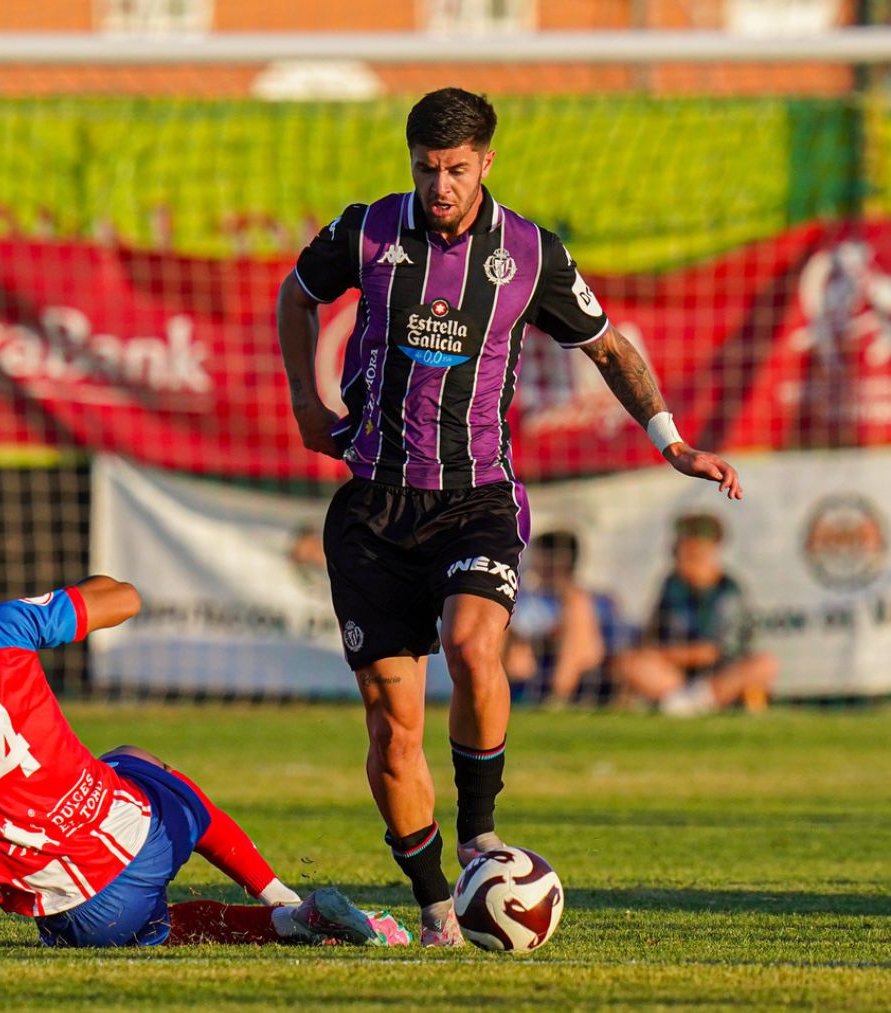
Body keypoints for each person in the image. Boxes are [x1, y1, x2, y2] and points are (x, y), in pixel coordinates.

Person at [276, 87, 742, 945]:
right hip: (374, 506)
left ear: (487, 161)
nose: (440, 185)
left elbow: (608, 346)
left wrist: (670, 440)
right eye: (426, 168)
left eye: (456, 169)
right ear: (409, 160)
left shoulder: (529, 254)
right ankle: (432, 905)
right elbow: (296, 296)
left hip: (478, 497)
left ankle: (480, 831)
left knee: (474, 640)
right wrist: (309, 404)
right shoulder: (370, 231)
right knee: (390, 720)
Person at [0, 553, 406, 952]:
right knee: (137, 762)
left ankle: (289, 928)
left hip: (83, 918)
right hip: (146, 844)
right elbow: (124, 596)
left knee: (149, 928)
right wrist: (64, 602)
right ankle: (281, 900)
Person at [611, 513, 776, 716]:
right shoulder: (672, 584)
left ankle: (694, 702)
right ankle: (682, 701)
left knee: (765, 664)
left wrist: (666, 655)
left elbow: (714, 652)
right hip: (675, 676)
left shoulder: (727, 592)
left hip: (718, 676)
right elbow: (653, 632)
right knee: (628, 663)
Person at [504, 529, 617, 707]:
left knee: (577, 607)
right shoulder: (526, 599)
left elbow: (600, 643)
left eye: (553, 558)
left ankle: (557, 697)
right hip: (532, 664)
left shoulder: (596, 599)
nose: (548, 564)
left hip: (586, 672)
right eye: (544, 557)